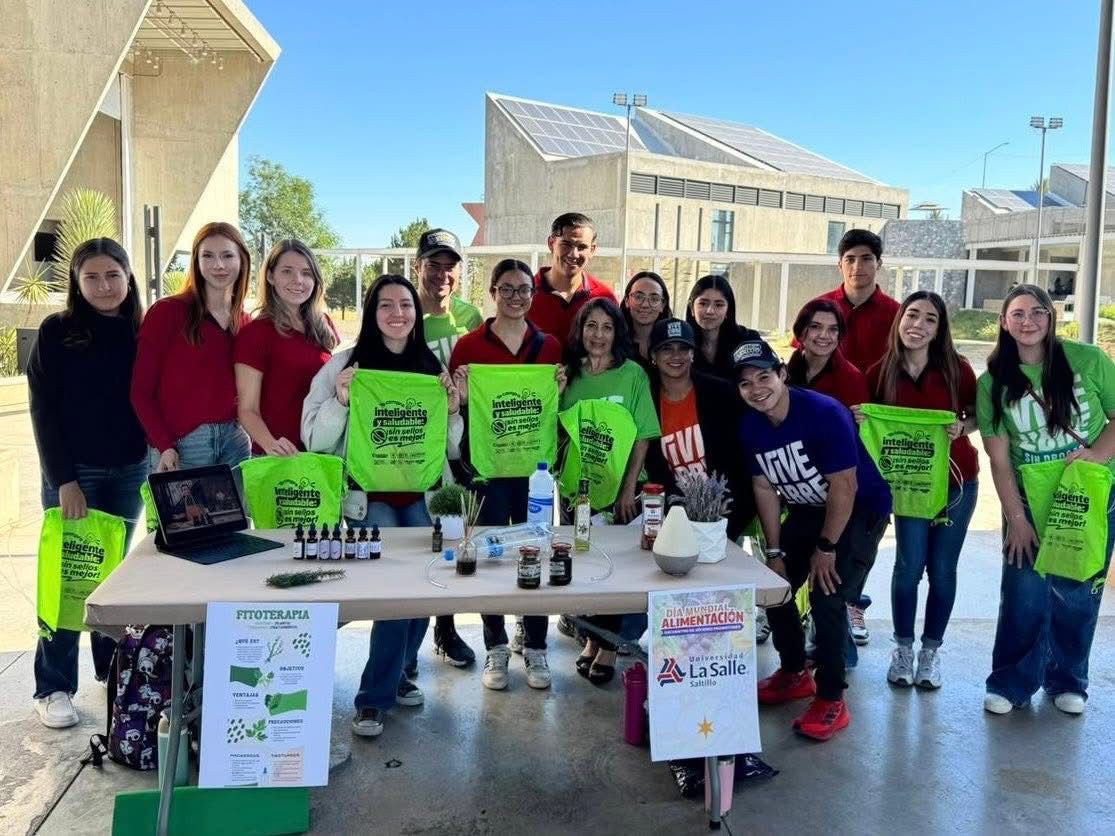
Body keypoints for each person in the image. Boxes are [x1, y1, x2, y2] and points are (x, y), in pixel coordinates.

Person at [302, 275, 463, 738]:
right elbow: (315, 440)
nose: (398, 313)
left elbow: (453, 450)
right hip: (366, 499)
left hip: (423, 495)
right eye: (386, 305)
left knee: (425, 589)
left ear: (416, 312)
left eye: (406, 305)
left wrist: (452, 411)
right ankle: (373, 697)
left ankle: (402, 671)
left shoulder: (432, 368)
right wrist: (341, 401)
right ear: (372, 313)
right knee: (395, 594)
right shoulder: (341, 368)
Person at [736, 337, 891, 741]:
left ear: (782, 374)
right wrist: (774, 552)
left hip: (859, 508)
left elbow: (845, 486)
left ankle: (831, 697)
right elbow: (765, 488)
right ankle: (792, 673)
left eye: (764, 377)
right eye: (746, 383)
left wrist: (827, 548)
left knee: (827, 595)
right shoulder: (751, 425)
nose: (757, 389)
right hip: (807, 510)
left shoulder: (824, 413)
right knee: (776, 586)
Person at [977, 284, 1115, 716]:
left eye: (1038, 312)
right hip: (1028, 499)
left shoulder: (1088, 360)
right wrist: (1015, 517)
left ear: (1052, 318)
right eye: (1018, 313)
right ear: (1004, 321)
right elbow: (999, 460)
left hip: (1087, 496)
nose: (1028, 321)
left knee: (1077, 590)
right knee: (1023, 592)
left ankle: (1067, 679)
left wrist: (1097, 454)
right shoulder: (993, 383)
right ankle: (1012, 682)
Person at [28, 238, 147, 729]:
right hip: (75, 475)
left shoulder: (141, 330)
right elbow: (43, 412)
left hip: (129, 470)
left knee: (111, 577)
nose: (104, 286)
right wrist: (65, 482)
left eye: (112, 275)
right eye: (92, 277)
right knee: (69, 578)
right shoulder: (58, 332)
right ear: (77, 283)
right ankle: (53, 686)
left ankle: (110, 672)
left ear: (128, 277)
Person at [449, 259, 565, 692]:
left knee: (536, 549)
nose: (516, 297)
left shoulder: (549, 346)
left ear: (532, 296)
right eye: (507, 289)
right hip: (487, 472)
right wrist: (459, 393)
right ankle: (495, 645)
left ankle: (535, 644)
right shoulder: (468, 346)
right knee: (492, 554)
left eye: (523, 290)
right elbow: (457, 410)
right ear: (493, 292)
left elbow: (554, 404)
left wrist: (560, 384)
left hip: (533, 472)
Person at [860, 291, 979, 689]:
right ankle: (904, 648)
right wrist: (860, 417)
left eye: (930, 319)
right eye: (912, 315)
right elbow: (870, 426)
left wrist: (964, 427)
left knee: (943, 570)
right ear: (900, 321)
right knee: (908, 568)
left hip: (957, 482)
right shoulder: (880, 372)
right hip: (910, 485)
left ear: (939, 329)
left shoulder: (958, 370)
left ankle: (931, 651)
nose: (918, 325)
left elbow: (979, 416)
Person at [560, 298, 661, 683]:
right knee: (584, 566)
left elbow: (643, 437)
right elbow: (557, 429)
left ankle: (608, 647)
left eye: (607, 327)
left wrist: (628, 490)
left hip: (620, 492)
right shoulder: (569, 374)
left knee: (614, 570)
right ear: (580, 331)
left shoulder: (633, 374)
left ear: (618, 332)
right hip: (578, 494)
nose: (598, 335)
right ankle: (590, 639)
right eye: (591, 326)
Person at [412, 228, 482, 667]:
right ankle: (405, 642)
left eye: (449, 265)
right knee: (417, 541)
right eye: (433, 264)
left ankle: (446, 628)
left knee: (453, 536)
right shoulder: (402, 312)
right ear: (417, 266)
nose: (441, 274)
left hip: (461, 444)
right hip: (414, 443)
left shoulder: (471, 317)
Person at [131, 221, 252, 473]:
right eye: (207, 256)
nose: (218, 265)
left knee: (237, 515)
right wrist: (164, 445)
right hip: (182, 447)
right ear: (196, 261)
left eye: (227, 255)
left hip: (236, 444)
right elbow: (141, 392)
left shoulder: (245, 322)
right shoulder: (167, 312)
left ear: (242, 260)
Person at [786, 298, 873, 646]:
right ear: (801, 333)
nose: (824, 336)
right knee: (786, 582)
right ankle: (794, 655)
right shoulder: (786, 372)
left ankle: (836, 666)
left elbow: (851, 450)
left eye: (833, 329)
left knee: (830, 592)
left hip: (845, 496)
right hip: (802, 492)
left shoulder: (851, 378)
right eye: (816, 328)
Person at [643, 318, 753, 537]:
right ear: (653, 356)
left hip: (725, 517)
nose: (676, 356)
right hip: (673, 520)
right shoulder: (646, 399)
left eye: (683, 348)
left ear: (693, 353)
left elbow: (742, 464)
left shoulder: (722, 394)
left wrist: (730, 522)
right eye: (666, 349)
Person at [235, 239, 338, 456]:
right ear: (271, 276)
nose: (298, 280)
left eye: (306, 273)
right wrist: (271, 444)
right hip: (276, 456)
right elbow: (247, 409)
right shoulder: (255, 333)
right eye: (287, 271)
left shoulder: (323, 325)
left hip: (319, 452)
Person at [808, 228, 900, 374]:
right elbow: (800, 356)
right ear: (840, 265)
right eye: (850, 259)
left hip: (877, 396)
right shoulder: (816, 308)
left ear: (879, 264)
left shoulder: (898, 313)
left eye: (866, 258)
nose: (857, 266)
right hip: (825, 395)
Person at [528, 212, 616, 346]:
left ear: (592, 250)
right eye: (566, 244)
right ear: (551, 243)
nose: (573, 254)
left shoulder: (605, 297)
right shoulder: (524, 295)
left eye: (582, 247)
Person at [684, 274, 759, 380]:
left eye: (719, 305)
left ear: (728, 310)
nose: (710, 311)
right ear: (692, 308)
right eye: (703, 303)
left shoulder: (748, 340)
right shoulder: (681, 343)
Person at [620, 270, 671, 369]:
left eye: (654, 299)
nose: (645, 305)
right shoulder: (616, 342)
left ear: (663, 305)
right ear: (627, 301)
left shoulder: (672, 342)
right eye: (638, 297)